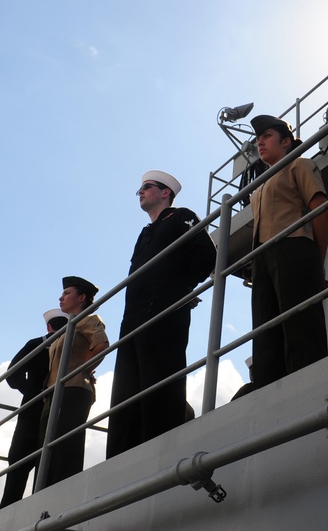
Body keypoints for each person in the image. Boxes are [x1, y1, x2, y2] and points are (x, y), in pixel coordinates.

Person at [106, 171, 216, 458]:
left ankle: (159, 451)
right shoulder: (146, 232)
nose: (140, 192)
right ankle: (120, 457)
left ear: (165, 192)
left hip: (163, 313)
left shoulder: (180, 217)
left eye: (146, 187)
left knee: (159, 381)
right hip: (132, 320)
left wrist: (178, 291)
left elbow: (206, 254)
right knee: (125, 392)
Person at [249, 114, 328, 388]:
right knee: (265, 335)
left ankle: (309, 389)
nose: (260, 143)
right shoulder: (259, 187)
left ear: (286, 141)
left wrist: (318, 263)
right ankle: (269, 393)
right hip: (262, 260)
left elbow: (320, 209)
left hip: (293, 247)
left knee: (301, 329)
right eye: (258, 140)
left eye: (266, 137)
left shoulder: (300, 165)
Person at [39, 276, 108, 487]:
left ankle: (63, 491)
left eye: (67, 293)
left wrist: (82, 370)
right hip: (53, 393)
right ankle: (44, 492)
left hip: (74, 389)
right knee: (46, 449)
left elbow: (101, 345)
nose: (61, 298)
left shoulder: (88, 319)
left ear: (82, 297)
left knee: (66, 446)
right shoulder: (66, 329)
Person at [0, 308, 69, 508]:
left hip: (32, 409)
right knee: (48, 464)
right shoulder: (70, 345)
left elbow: (12, 375)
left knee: (18, 465)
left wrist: (32, 391)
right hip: (61, 409)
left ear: (48, 326)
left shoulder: (36, 344)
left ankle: (7, 510)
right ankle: (43, 508)